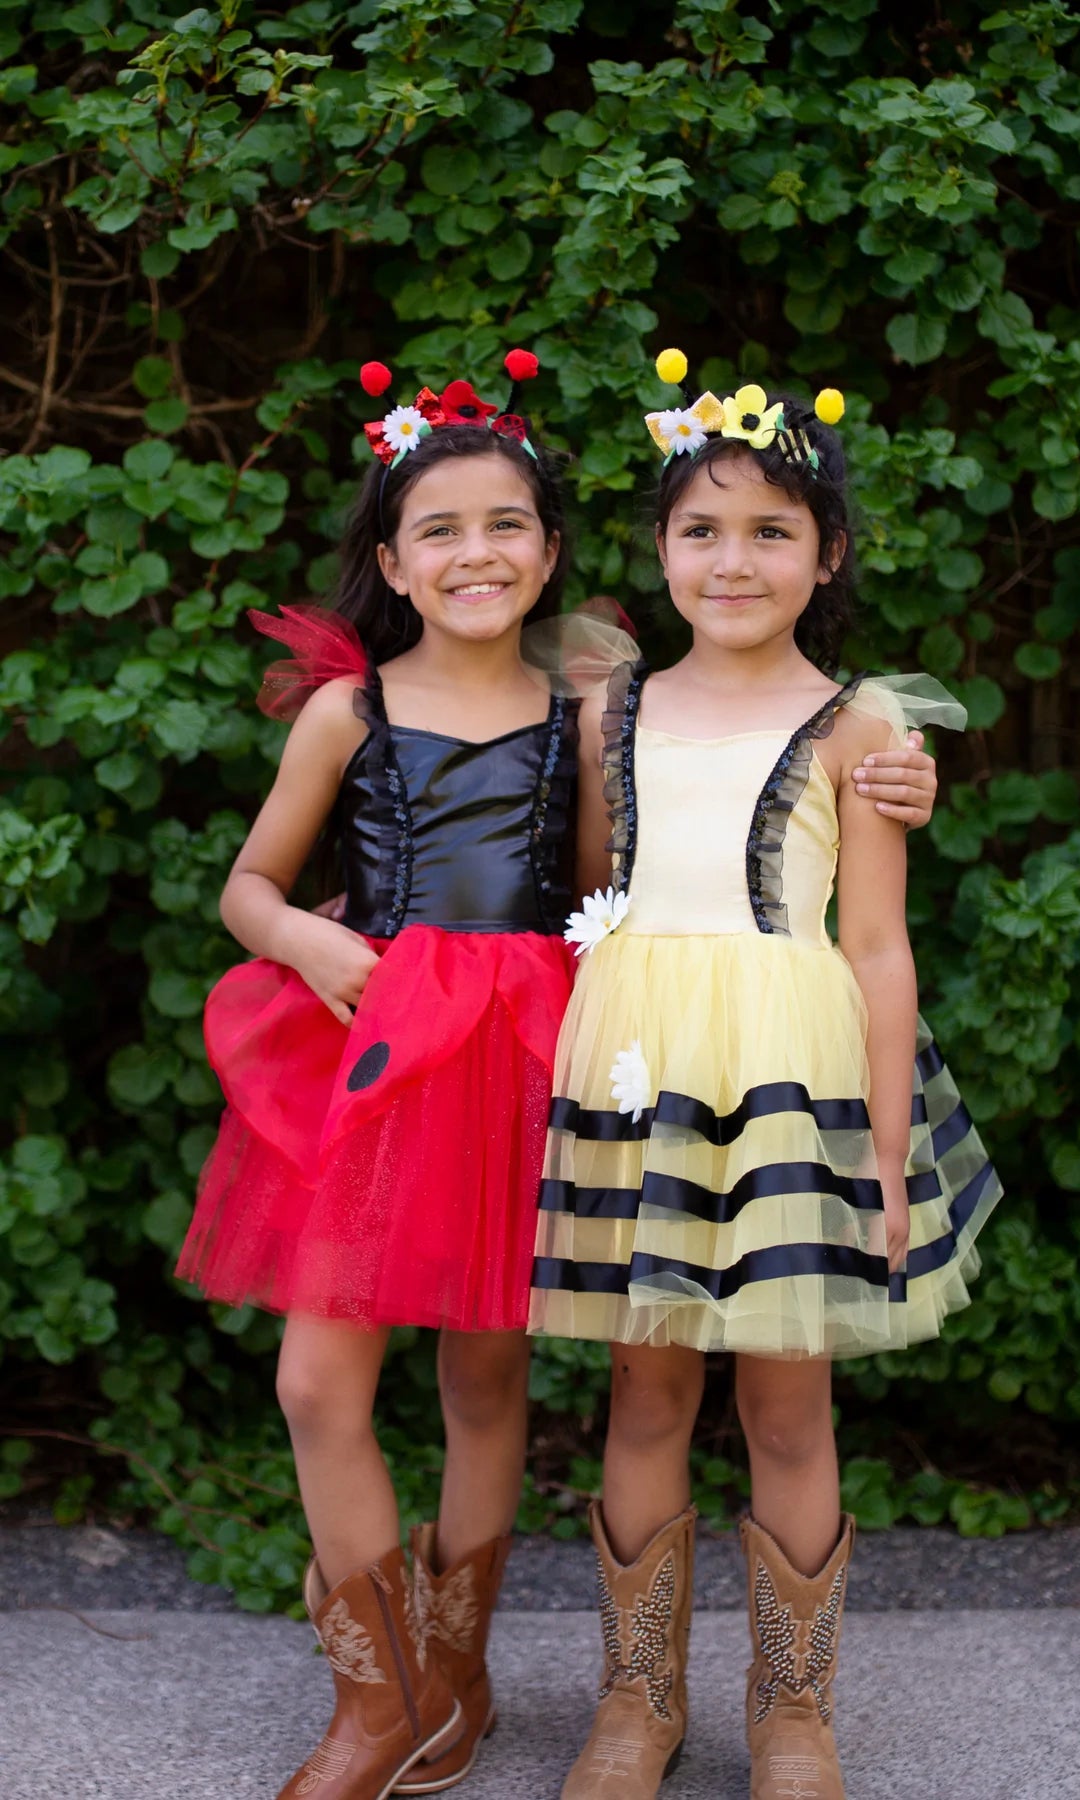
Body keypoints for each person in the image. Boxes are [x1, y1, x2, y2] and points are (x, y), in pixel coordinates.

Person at [176, 348, 940, 1800]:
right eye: (441, 530)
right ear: (391, 562)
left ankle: (673, 1702)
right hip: (472, 1057)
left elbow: (713, 890)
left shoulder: (694, 712)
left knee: (627, 1388)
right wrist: (320, 940)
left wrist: (899, 775)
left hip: (654, 1059)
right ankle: (468, 1696)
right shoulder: (477, 711)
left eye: (507, 526)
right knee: (437, 1385)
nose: (478, 554)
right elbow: (292, 885)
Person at [528, 355, 1003, 1800]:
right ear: (661, 551)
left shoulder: (867, 728)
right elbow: (594, 886)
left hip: (797, 1080)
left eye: (772, 532)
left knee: (791, 1403)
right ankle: (635, 1703)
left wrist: (880, 1146)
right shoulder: (616, 710)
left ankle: (793, 1712)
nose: (733, 561)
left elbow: (876, 945)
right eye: (702, 531)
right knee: (646, 1393)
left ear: (829, 553)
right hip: (645, 1070)